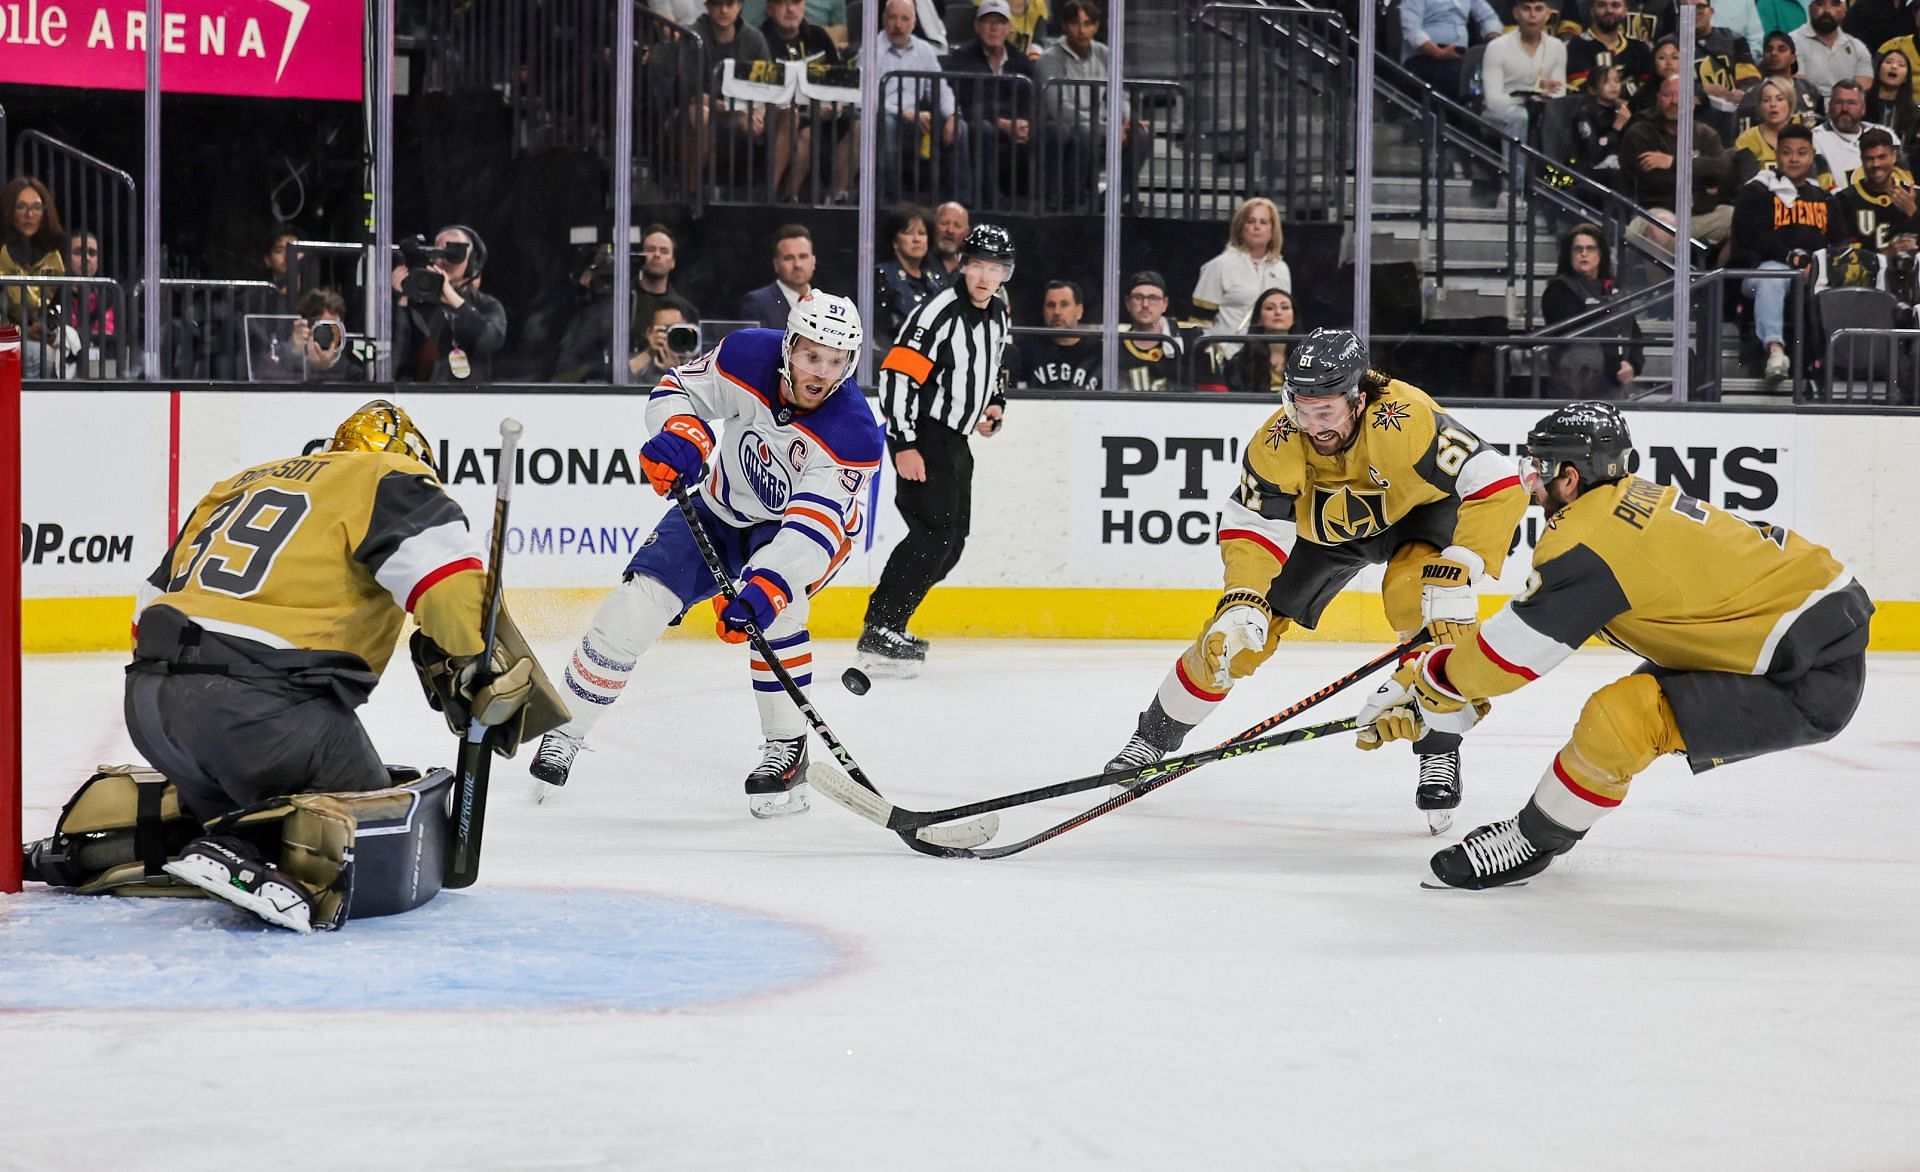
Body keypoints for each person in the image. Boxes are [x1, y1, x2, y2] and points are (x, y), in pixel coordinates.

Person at [19, 400, 556, 931]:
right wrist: (475, 665)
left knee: (246, 793)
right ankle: (241, 848)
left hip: (150, 708)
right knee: (368, 830)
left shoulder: (241, 482)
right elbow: (450, 584)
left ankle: (118, 846)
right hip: (257, 713)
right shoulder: (391, 476)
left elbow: (146, 612)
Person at [1356, 403, 1871, 890]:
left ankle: (1530, 842)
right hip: (1806, 630)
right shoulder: (1620, 511)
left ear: (1570, 477)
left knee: (1621, 718)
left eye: (1539, 467)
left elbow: (1509, 659)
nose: (1531, 482)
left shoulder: (1587, 542)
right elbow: (1524, 639)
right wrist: (1447, 684)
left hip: (1807, 674)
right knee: (1621, 710)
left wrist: (1432, 684)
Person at [1100, 329, 1528, 834]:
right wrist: (1242, 599)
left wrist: (1466, 559)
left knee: (1417, 605)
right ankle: (1152, 737)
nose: (1312, 423)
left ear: (1358, 398)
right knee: (1232, 643)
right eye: (1302, 408)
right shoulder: (1278, 438)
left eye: (1325, 410)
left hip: (1419, 519)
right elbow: (1254, 524)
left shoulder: (1407, 420)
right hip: (1322, 534)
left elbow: (1499, 481)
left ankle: (1439, 751)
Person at [530, 293, 880, 814]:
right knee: (632, 608)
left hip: (795, 534)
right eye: (812, 355)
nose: (821, 373)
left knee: (778, 616)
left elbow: (813, 532)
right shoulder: (745, 357)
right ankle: (567, 731)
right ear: (788, 347)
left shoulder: (852, 432)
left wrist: (764, 589)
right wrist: (682, 434)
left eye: (835, 361)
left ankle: (786, 750)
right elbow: (676, 390)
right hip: (719, 510)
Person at [859, 225, 1015, 669]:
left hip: (956, 439)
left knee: (952, 541)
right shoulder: (938, 312)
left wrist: (994, 403)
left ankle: (893, 621)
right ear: (964, 265)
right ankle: (881, 626)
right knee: (933, 532)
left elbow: (997, 358)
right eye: (978, 266)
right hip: (924, 435)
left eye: (995, 268)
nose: (985, 277)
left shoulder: (999, 311)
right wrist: (905, 443)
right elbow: (896, 377)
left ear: (1006, 273)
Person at [1732, 121, 1834, 380]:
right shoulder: (1757, 190)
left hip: (1814, 274)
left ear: (1811, 156)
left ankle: (1836, 361)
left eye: (1801, 153)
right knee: (1773, 277)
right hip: (1759, 273)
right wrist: (1790, 257)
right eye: (1787, 152)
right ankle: (1775, 351)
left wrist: (1818, 264)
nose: (1794, 159)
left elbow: (1838, 240)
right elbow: (1748, 235)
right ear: (1777, 156)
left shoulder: (1822, 197)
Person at [1033, 0, 1154, 210]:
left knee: (1140, 134)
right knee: (1083, 131)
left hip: (1101, 126)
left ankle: (1109, 200)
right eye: (1075, 23)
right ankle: (1074, 202)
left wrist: (1124, 121)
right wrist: (1108, 130)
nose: (1081, 30)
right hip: (1061, 128)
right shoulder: (1049, 59)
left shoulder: (1105, 54)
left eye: (1088, 24)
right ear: (1064, 26)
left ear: (1096, 27)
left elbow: (1119, 94)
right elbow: (1059, 108)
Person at [1622, 76, 1737, 251]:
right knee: (1665, 228)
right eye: (1668, 95)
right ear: (1659, 98)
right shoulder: (1640, 133)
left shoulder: (1705, 134)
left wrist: (1674, 163)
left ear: (1693, 102)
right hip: (1655, 212)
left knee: (1741, 219)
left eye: (1681, 95)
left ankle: (1716, 279)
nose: (1675, 102)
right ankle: (1665, 280)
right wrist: (1704, 181)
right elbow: (1657, 181)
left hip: (1699, 213)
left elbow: (1723, 170)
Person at [945, 0, 1038, 203]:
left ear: (1009, 28)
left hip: (1014, 123)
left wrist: (1025, 122)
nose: (994, 28)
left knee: (1050, 131)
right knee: (983, 128)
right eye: (988, 22)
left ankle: (1042, 202)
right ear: (977, 26)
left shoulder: (1021, 61)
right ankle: (987, 201)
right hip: (979, 122)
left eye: (1000, 22)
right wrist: (1001, 122)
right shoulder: (962, 58)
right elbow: (964, 103)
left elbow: (1032, 99)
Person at [391, 225, 507, 382]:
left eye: (453, 254)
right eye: (438, 253)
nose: (444, 260)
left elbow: (489, 340)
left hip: (472, 398)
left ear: (471, 261)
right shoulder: (416, 304)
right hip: (421, 396)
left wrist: (450, 295)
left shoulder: (486, 305)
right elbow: (397, 354)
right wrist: (400, 302)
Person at [1542, 222, 1645, 397]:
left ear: (1601, 254)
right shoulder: (1559, 290)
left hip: (1616, 384)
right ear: (1569, 255)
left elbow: (1634, 332)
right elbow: (1580, 335)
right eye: (1577, 249)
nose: (1584, 253)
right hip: (1577, 384)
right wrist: (1615, 366)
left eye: (1590, 248)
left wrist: (1633, 364)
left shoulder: (1616, 291)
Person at [877, 0, 965, 203]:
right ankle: (890, 198)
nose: (898, 25)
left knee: (960, 128)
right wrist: (901, 112)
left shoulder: (924, 50)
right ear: (883, 19)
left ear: (914, 23)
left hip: (916, 117)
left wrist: (952, 114)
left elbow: (939, 87)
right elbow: (866, 97)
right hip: (884, 114)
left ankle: (960, 200)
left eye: (904, 19)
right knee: (888, 126)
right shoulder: (871, 50)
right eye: (892, 18)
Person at [1191, 197, 1292, 347]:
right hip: (1228, 358)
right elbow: (1199, 323)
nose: (1256, 226)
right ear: (1240, 228)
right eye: (1250, 221)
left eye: (1263, 222)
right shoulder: (1219, 265)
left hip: (1267, 358)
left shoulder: (1282, 269)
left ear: (1273, 230)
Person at [0, 175, 67, 379]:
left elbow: (59, 302)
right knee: (37, 356)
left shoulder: (55, 253)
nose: (29, 214)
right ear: (10, 211)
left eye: (36, 208)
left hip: (38, 333)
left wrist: (49, 325)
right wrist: (22, 331)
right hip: (6, 333)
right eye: (21, 207)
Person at [1481, 0, 1568, 140]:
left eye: (1538, 9)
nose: (1532, 15)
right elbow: (1493, 101)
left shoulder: (1557, 47)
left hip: (1539, 109)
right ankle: (1515, 163)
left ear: (1547, 14)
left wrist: (1536, 99)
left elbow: (1559, 93)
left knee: (1557, 115)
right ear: (1516, 13)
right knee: (1520, 117)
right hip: (1498, 113)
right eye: (1526, 9)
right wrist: (1530, 98)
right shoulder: (1496, 47)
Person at [1831, 126, 1920, 255]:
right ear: (1861, 159)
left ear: (1894, 156)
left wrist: (1913, 211)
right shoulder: (1844, 200)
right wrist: (1885, 256)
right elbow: (1842, 254)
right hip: (1868, 274)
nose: (1876, 164)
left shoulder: (1915, 196)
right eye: (1869, 159)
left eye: (1882, 157)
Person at [1196, 288, 1295, 394]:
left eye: (1285, 307)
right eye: (1269, 308)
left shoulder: (1309, 359)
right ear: (1259, 318)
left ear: (1294, 316)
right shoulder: (1240, 363)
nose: (1278, 312)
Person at [1399, 0, 1505, 94]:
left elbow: (1489, 17)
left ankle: (1476, 108)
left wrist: (1493, 38)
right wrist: (1438, 53)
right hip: (1425, 57)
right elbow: (1411, 30)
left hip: (1459, 58)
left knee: (1489, 74)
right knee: (1463, 78)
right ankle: (1460, 111)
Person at [876, 203, 942, 342]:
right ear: (895, 241)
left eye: (922, 233)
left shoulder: (935, 278)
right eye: (908, 233)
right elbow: (879, 329)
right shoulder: (883, 275)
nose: (916, 239)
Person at [1022, 278, 1102, 389]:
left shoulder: (1098, 353)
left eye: (1064, 305)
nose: (1057, 312)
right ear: (1043, 310)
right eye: (1051, 305)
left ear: (1079, 311)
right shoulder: (1027, 350)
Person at [1566, 0, 1657, 97]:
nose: (1609, 10)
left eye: (1615, 5)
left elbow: (1648, 89)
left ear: (1625, 10)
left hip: (1635, 110)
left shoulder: (1639, 48)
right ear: (1592, 11)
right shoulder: (1578, 45)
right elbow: (1582, 91)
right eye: (1602, 5)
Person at [1734, 76, 1812, 183]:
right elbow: (1750, 183)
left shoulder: (1802, 137)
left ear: (1790, 104)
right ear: (1760, 106)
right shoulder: (1747, 140)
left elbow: (1812, 179)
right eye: (1766, 100)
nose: (1773, 105)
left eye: (1780, 99)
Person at [739, 224, 818, 329]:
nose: (797, 264)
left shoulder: (828, 304)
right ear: (776, 264)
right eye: (789, 258)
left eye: (803, 257)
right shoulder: (757, 303)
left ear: (813, 261)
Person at [1119, 269, 1188, 390]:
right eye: (1138, 297)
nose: (1145, 304)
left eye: (1153, 298)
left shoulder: (1189, 339)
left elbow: (1213, 395)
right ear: (1128, 303)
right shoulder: (1114, 348)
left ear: (1165, 304)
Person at [1737, 30, 1829, 120]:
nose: (1774, 53)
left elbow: (1821, 124)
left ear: (1793, 58)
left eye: (1781, 49)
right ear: (1764, 57)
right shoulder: (1753, 94)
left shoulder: (1809, 89)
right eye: (1769, 50)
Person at [1812, 79, 1890, 182]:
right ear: (1829, 106)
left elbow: (1903, 176)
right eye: (1838, 102)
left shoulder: (1883, 133)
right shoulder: (1814, 139)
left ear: (1863, 107)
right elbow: (1822, 183)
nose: (1844, 108)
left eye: (1852, 103)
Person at [1791, 0, 1874, 97]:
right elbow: (1798, 88)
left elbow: (1861, 90)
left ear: (1844, 10)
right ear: (1809, 8)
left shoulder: (1858, 48)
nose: (1827, 10)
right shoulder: (1793, 42)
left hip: (1845, 108)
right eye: (1820, 4)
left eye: (1835, 4)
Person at [635, 224, 701, 337]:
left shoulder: (686, 311)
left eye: (664, 251)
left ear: (673, 262)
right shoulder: (623, 304)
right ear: (640, 256)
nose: (657, 255)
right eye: (651, 249)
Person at [287, 288, 365, 382]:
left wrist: (325, 369)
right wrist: (293, 354)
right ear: (306, 326)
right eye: (319, 326)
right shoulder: (285, 363)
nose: (325, 333)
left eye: (331, 326)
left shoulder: (354, 375)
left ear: (341, 329)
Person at [1571, 65, 1634, 178]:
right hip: (1593, 170)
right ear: (1592, 89)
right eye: (1606, 82)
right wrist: (1616, 128)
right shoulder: (1584, 115)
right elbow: (1593, 153)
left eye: (1616, 81)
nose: (1613, 85)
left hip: (1619, 162)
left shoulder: (1621, 110)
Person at [629, 301, 694, 385]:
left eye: (677, 330)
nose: (672, 336)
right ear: (649, 332)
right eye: (665, 330)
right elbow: (621, 381)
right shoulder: (635, 361)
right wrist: (649, 353)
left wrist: (675, 370)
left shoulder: (695, 361)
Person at [1865, 48, 1920, 140]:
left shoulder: (1915, 112)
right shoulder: (1862, 102)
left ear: (1906, 78)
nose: (1894, 66)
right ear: (1878, 70)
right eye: (1888, 62)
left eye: (1901, 65)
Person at [931, 200, 971, 285]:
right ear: (933, 226)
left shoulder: (970, 270)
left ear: (966, 233)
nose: (950, 230)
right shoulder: (918, 264)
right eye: (944, 223)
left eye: (957, 226)